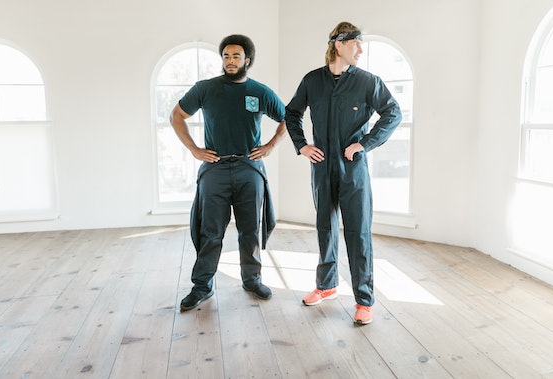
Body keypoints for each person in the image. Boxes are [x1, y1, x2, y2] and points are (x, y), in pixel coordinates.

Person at [284, 22, 402, 325]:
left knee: (358, 233)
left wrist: (364, 143)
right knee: (325, 227)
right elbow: (292, 113)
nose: (361, 50)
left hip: (353, 169)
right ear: (339, 44)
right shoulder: (312, 81)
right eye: (356, 44)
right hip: (321, 167)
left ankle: (364, 300)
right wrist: (302, 146)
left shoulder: (367, 82)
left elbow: (393, 112)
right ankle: (327, 286)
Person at [170, 34, 286, 311]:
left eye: (236, 56)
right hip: (215, 168)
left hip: (249, 167)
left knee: (250, 230)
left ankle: (252, 279)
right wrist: (194, 149)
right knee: (210, 231)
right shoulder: (205, 89)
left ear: (248, 60)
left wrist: (269, 146)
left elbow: (289, 119)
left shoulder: (260, 92)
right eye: (226, 56)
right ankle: (202, 285)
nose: (230, 61)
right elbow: (176, 116)